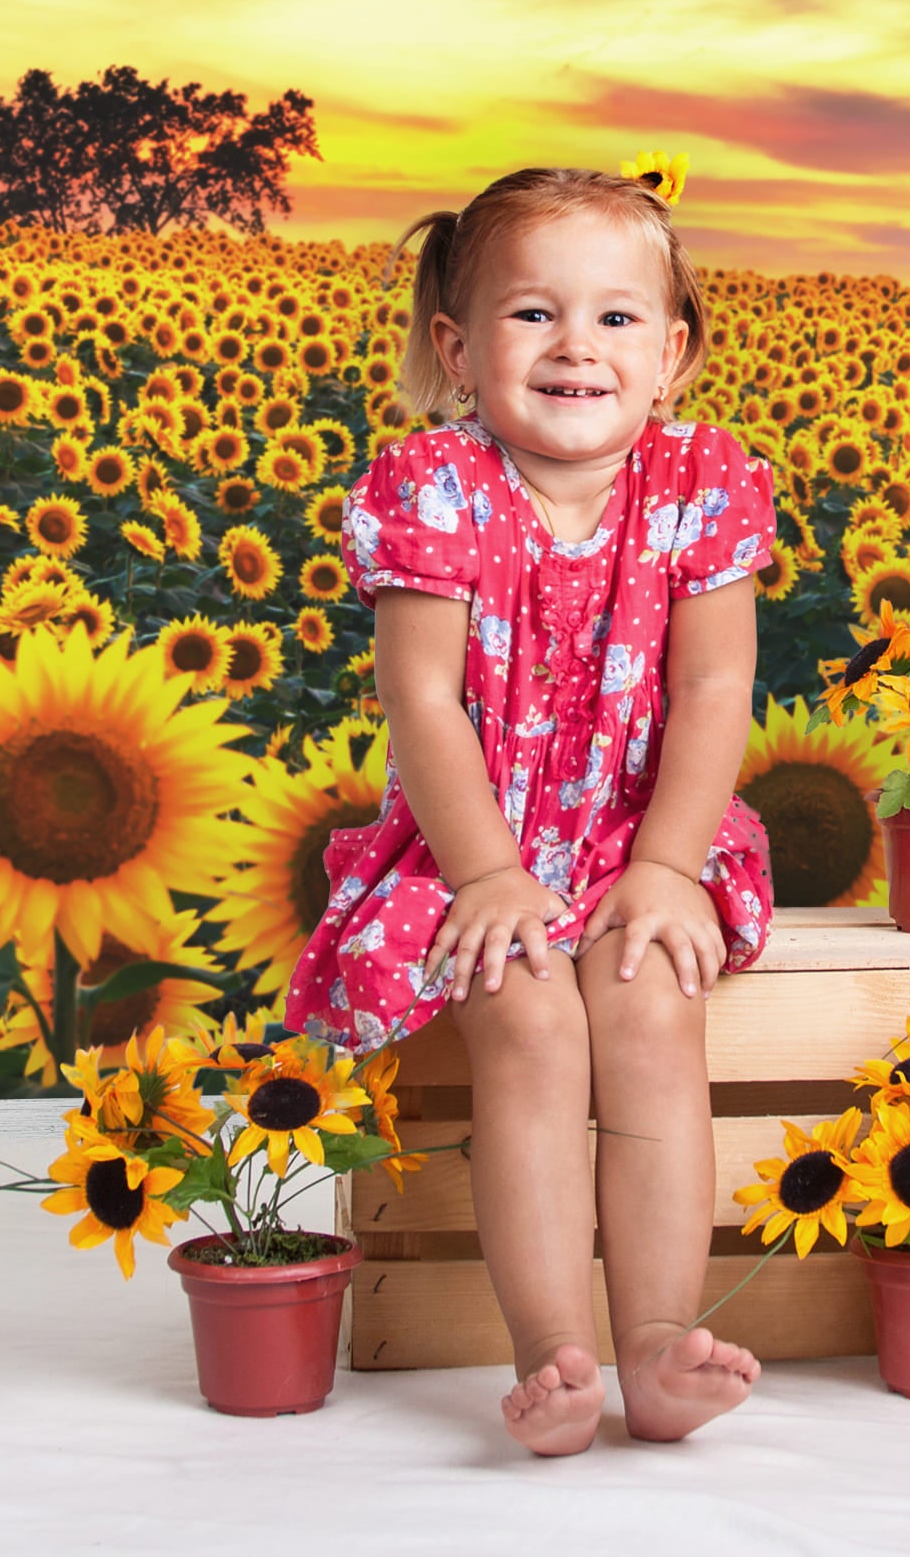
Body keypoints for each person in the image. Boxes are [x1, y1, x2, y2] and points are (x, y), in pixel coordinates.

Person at [284, 166, 778, 1456]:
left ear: (673, 353)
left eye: (618, 319)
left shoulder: (700, 481)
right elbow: (426, 706)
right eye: (530, 316)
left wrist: (670, 863)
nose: (576, 347)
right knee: (524, 1022)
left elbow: (716, 680)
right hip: (473, 834)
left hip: (640, 826)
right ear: (456, 347)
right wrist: (491, 875)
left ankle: (662, 1338)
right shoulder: (433, 485)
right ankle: (553, 1348)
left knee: (650, 1007)